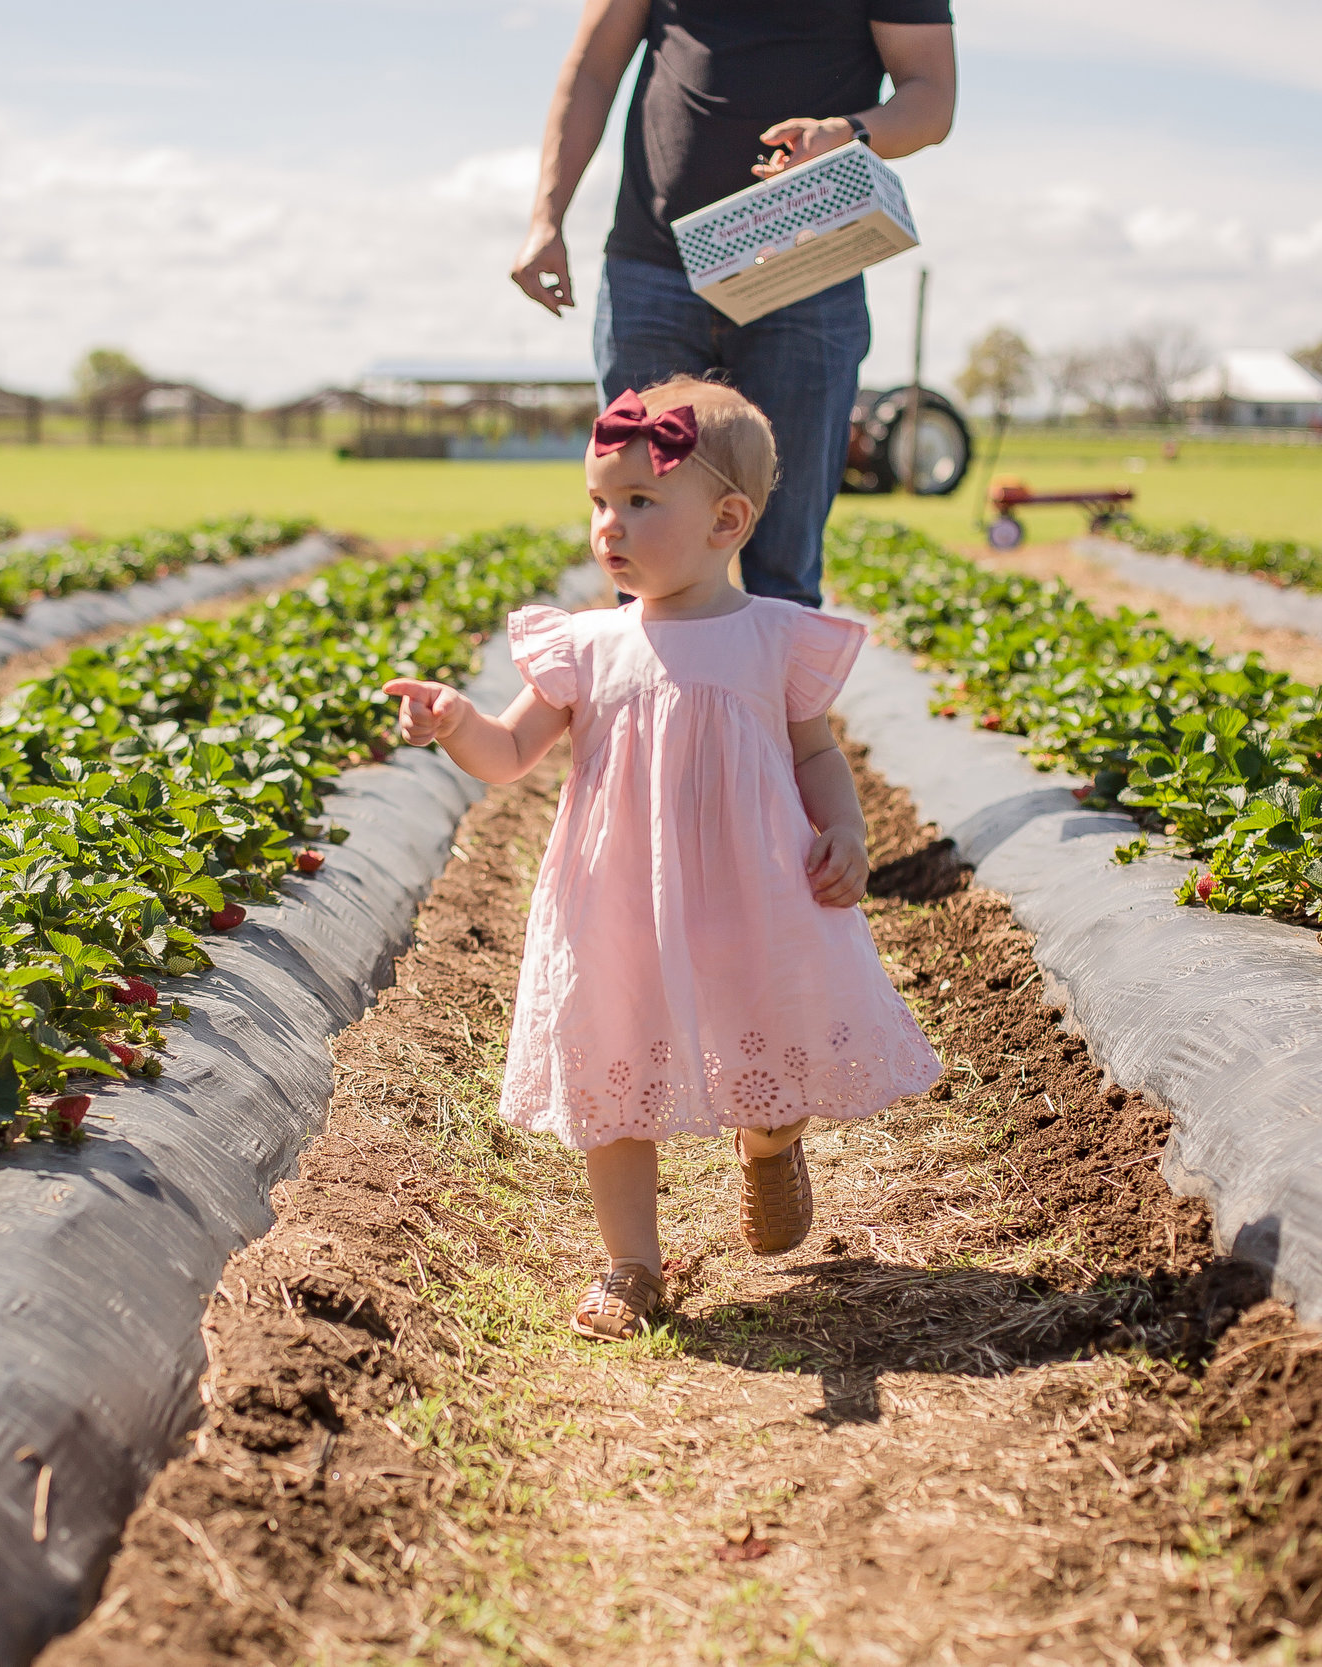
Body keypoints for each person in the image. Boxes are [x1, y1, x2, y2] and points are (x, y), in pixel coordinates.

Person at [382, 379, 942, 1340]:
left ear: (728, 519)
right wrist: (455, 722)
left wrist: (845, 832)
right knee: (613, 1075)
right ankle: (630, 1265)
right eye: (601, 502)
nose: (611, 525)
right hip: (617, 905)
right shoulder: (588, 646)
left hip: (749, 896)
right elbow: (510, 755)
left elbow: (814, 753)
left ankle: (770, 1145)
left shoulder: (772, 638)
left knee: (763, 1054)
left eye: (641, 501)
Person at [513, 0, 957, 608]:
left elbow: (930, 97)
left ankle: (779, 706)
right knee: (644, 564)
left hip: (807, 275)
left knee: (785, 572)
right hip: (653, 269)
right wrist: (546, 217)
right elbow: (594, 66)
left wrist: (847, 132)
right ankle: (653, 706)